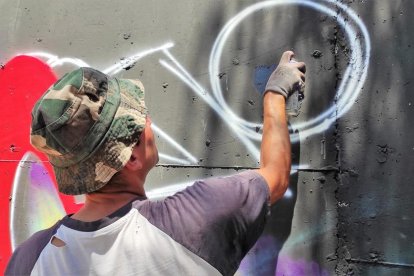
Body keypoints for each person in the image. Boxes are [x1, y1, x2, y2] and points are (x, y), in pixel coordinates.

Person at [6, 51, 305, 276]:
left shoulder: (29, 260)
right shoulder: (195, 220)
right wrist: (274, 95)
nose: (148, 121)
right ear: (132, 156)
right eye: (139, 120)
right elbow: (275, 176)